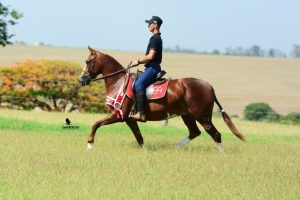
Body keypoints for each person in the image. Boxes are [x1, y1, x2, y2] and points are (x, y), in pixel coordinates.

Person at [130, 16, 163, 122]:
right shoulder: (155, 38)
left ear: (155, 25)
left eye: (149, 23)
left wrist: (138, 61)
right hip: (151, 67)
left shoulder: (155, 39)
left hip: (153, 68)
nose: (148, 25)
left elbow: (150, 56)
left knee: (139, 84)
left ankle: (141, 114)